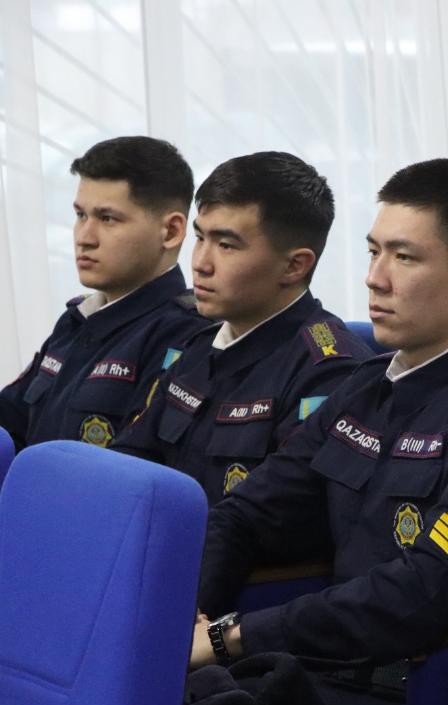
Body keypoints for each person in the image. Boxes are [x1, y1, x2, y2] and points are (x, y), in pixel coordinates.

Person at [185, 159, 448, 705]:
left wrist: (228, 637)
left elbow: (422, 591)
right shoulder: (367, 385)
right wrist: (184, 614)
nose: (375, 278)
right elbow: (246, 514)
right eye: (373, 252)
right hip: (305, 668)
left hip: (394, 691)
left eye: (404, 257)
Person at [111, 152, 372, 504]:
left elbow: (273, 515)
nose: (200, 263)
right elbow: (129, 462)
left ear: (294, 266)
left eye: (226, 245)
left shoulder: (330, 371)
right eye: (200, 238)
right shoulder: (199, 346)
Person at [0, 136, 209, 450]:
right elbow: (10, 421)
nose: (84, 237)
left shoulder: (189, 335)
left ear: (171, 231)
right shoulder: (76, 321)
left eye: (107, 218)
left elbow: (134, 462)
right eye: (80, 215)